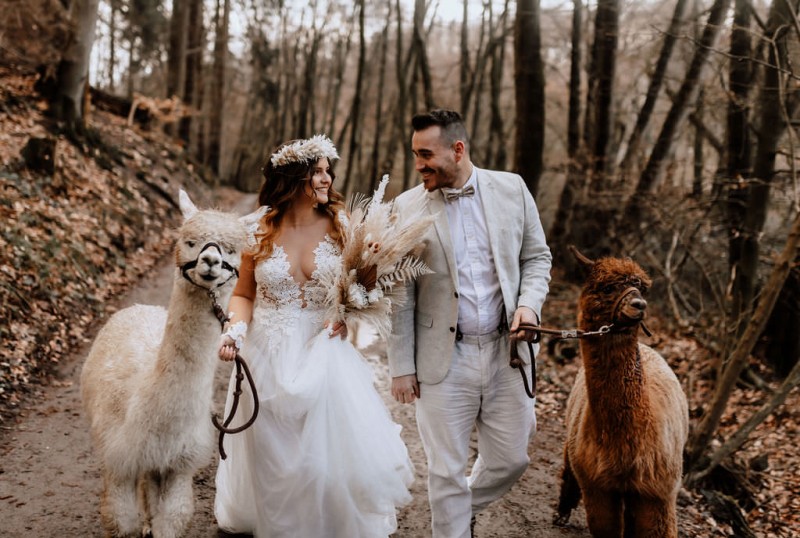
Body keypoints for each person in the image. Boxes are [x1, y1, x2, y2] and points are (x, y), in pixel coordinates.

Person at [214, 135, 413, 537]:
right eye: (317, 172)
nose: (327, 179)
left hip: (324, 353)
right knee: (272, 459)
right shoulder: (257, 230)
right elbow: (243, 294)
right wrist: (234, 329)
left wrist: (357, 295)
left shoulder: (343, 227)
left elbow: (364, 286)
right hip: (266, 354)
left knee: (322, 460)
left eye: (327, 171)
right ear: (293, 178)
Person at [387, 110, 552, 537]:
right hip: (443, 360)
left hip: (507, 354)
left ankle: (461, 507)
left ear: (457, 150)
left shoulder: (512, 189)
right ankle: (453, 524)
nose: (418, 164)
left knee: (511, 459)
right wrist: (402, 365)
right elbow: (399, 293)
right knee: (445, 471)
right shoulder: (406, 207)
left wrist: (529, 305)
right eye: (415, 154)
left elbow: (537, 258)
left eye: (426, 155)